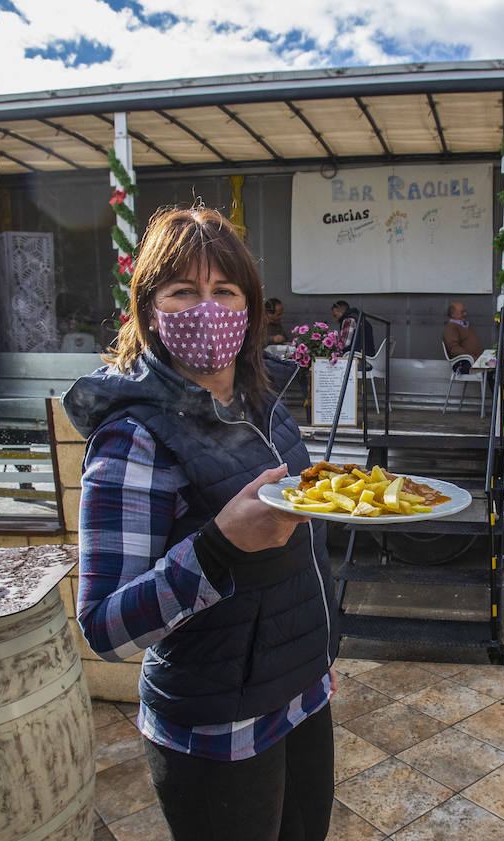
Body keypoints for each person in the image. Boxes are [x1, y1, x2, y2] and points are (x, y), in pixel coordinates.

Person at [62, 206, 336, 841]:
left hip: (302, 695)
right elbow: (105, 628)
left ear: (250, 306)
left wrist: (320, 656)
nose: (207, 308)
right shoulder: (132, 439)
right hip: (216, 726)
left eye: (225, 291)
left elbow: (302, 552)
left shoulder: (264, 404)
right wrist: (218, 547)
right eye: (184, 291)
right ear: (149, 309)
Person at [441, 301, 485, 372]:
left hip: (475, 360)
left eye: (465, 311)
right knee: (493, 370)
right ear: (453, 314)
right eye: (462, 312)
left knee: (496, 366)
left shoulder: (463, 326)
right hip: (463, 363)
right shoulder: (450, 328)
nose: (465, 314)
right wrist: (473, 358)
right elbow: (454, 349)